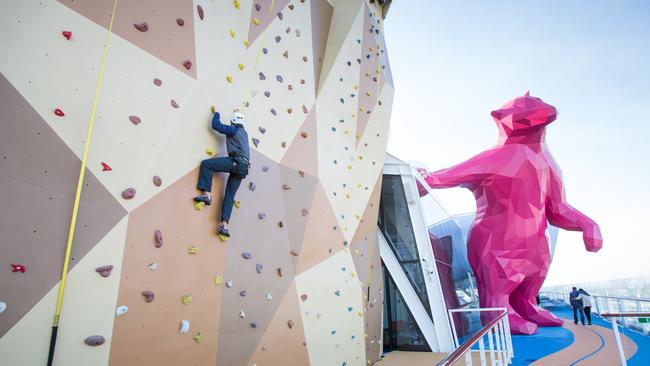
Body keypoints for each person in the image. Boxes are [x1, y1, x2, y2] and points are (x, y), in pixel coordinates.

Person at [194, 106, 250, 238]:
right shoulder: (245, 134)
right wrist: (236, 112)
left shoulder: (233, 130)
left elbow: (216, 125)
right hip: (244, 169)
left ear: (233, 122)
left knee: (207, 165)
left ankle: (207, 195)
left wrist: (216, 112)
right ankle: (224, 226)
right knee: (230, 196)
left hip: (235, 162)